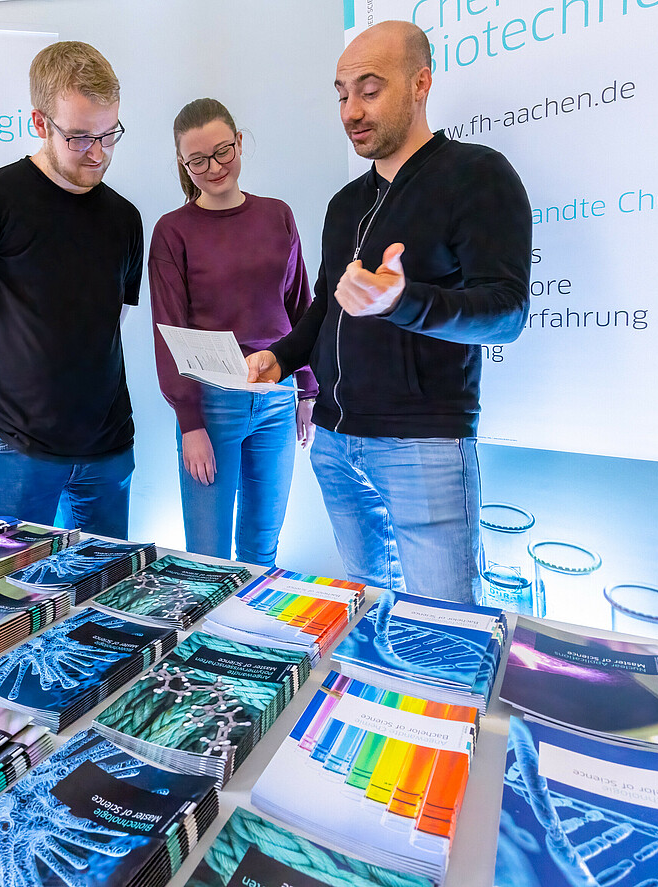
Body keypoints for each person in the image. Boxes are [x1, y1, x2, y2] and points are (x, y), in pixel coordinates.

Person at [246, 21, 532, 603]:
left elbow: (506, 312)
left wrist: (403, 302)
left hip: (422, 446)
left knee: (442, 629)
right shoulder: (344, 203)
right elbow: (326, 305)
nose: (351, 109)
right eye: (342, 93)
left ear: (421, 82)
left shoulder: (477, 174)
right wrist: (279, 357)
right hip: (332, 442)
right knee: (366, 615)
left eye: (369, 90)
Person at [0, 41, 142, 539]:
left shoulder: (125, 217)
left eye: (109, 134)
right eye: (80, 137)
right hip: (14, 445)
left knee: (107, 592)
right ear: (40, 123)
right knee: (9, 597)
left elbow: (115, 319)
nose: (98, 153)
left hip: (108, 445)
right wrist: (0, 380)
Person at [148, 98, 317, 567]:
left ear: (240, 142)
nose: (214, 167)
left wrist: (307, 388)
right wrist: (190, 424)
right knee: (207, 558)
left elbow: (300, 305)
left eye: (223, 151)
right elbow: (169, 330)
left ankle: (250, 638)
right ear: (184, 164)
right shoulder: (172, 232)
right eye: (197, 160)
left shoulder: (277, 215)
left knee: (263, 549)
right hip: (211, 402)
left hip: (277, 396)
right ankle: (209, 639)